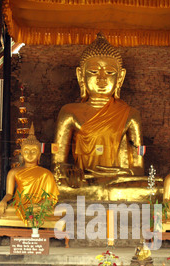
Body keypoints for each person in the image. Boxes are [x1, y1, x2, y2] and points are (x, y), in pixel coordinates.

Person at [52, 32, 144, 178]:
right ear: (80, 75)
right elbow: (57, 162)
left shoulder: (131, 114)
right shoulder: (69, 112)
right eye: (93, 71)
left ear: (120, 77)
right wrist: (68, 172)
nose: (102, 79)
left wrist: (125, 172)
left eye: (109, 72)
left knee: (152, 184)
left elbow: (139, 166)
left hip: (118, 182)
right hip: (84, 181)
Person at [0, 123, 59, 223]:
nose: (30, 154)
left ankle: (32, 214)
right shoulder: (13, 172)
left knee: (61, 211)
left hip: (37, 207)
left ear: (39, 155)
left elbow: (50, 199)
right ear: (22, 154)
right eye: (26, 151)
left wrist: (37, 205)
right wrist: (4, 201)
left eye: (34, 151)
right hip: (19, 205)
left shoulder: (46, 173)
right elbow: (9, 193)